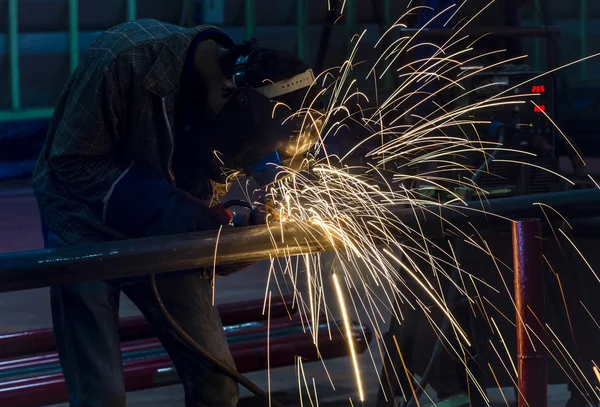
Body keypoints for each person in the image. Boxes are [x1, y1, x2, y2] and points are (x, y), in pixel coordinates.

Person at [31, 18, 321, 407]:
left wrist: (235, 243)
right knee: (102, 396)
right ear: (226, 93)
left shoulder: (231, 107)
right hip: (81, 227)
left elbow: (204, 204)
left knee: (218, 388)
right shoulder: (122, 58)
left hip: (164, 234)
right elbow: (71, 163)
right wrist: (180, 214)